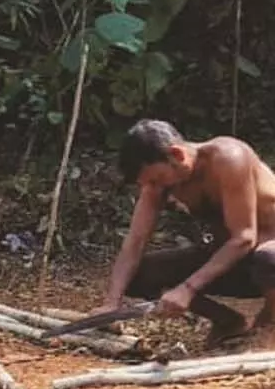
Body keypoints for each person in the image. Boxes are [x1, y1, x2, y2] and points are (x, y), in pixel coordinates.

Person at [99, 119, 275, 349]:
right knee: (140, 275)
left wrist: (187, 289)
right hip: (235, 261)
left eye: (156, 179)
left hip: (265, 258)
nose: (154, 186)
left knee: (268, 260)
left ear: (177, 155)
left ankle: (268, 324)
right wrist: (112, 302)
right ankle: (229, 322)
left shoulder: (229, 158)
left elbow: (244, 238)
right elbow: (135, 242)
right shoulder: (159, 185)